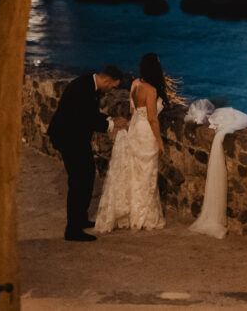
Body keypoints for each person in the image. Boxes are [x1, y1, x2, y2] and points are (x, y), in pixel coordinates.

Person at [95, 53, 177, 232]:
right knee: (146, 174)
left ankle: (134, 214)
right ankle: (143, 217)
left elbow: (133, 111)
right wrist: (160, 142)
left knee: (134, 173)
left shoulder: (135, 84)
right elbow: (152, 119)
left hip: (134, 129)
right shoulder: (151, 90)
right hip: (146, 132)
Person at [46, 65, 128, 241]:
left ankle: (81, 219)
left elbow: (90, 113)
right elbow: (83, 118)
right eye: (113, 86)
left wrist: (109, 119)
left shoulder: (90, 86)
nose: (113, 91)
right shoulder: (82, 87)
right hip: (68, 137)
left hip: (77, 138)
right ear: (106, 80)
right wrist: (112, 125)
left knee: (88, 175)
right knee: (78, 181)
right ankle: (72, 229)